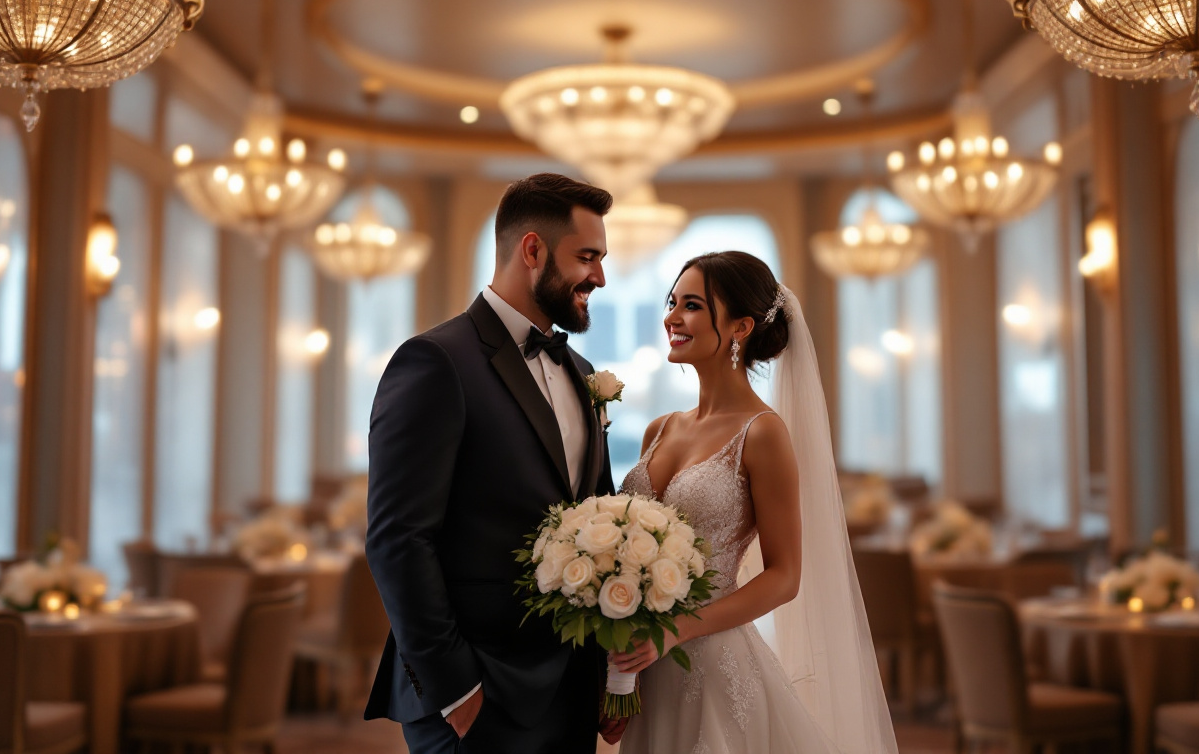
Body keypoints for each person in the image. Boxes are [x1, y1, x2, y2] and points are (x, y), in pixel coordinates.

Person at [363, 173, 619, 754]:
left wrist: (606, 669)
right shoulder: (434, 362)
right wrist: (455, 691)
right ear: (533, 250)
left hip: (568, 686)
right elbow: (398, 539)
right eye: (587, 257)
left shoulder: (583, 374)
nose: (599, 277)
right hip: (477, 691)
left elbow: (596, 521)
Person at [610, 251, 898, 754]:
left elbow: (784, 577)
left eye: (693, 306)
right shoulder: (660, 429)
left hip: (711, 665)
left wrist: (677, 630)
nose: (672, 318)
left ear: (741, 327)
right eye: (672, 302)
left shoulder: (762, 433)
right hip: (643, 663)